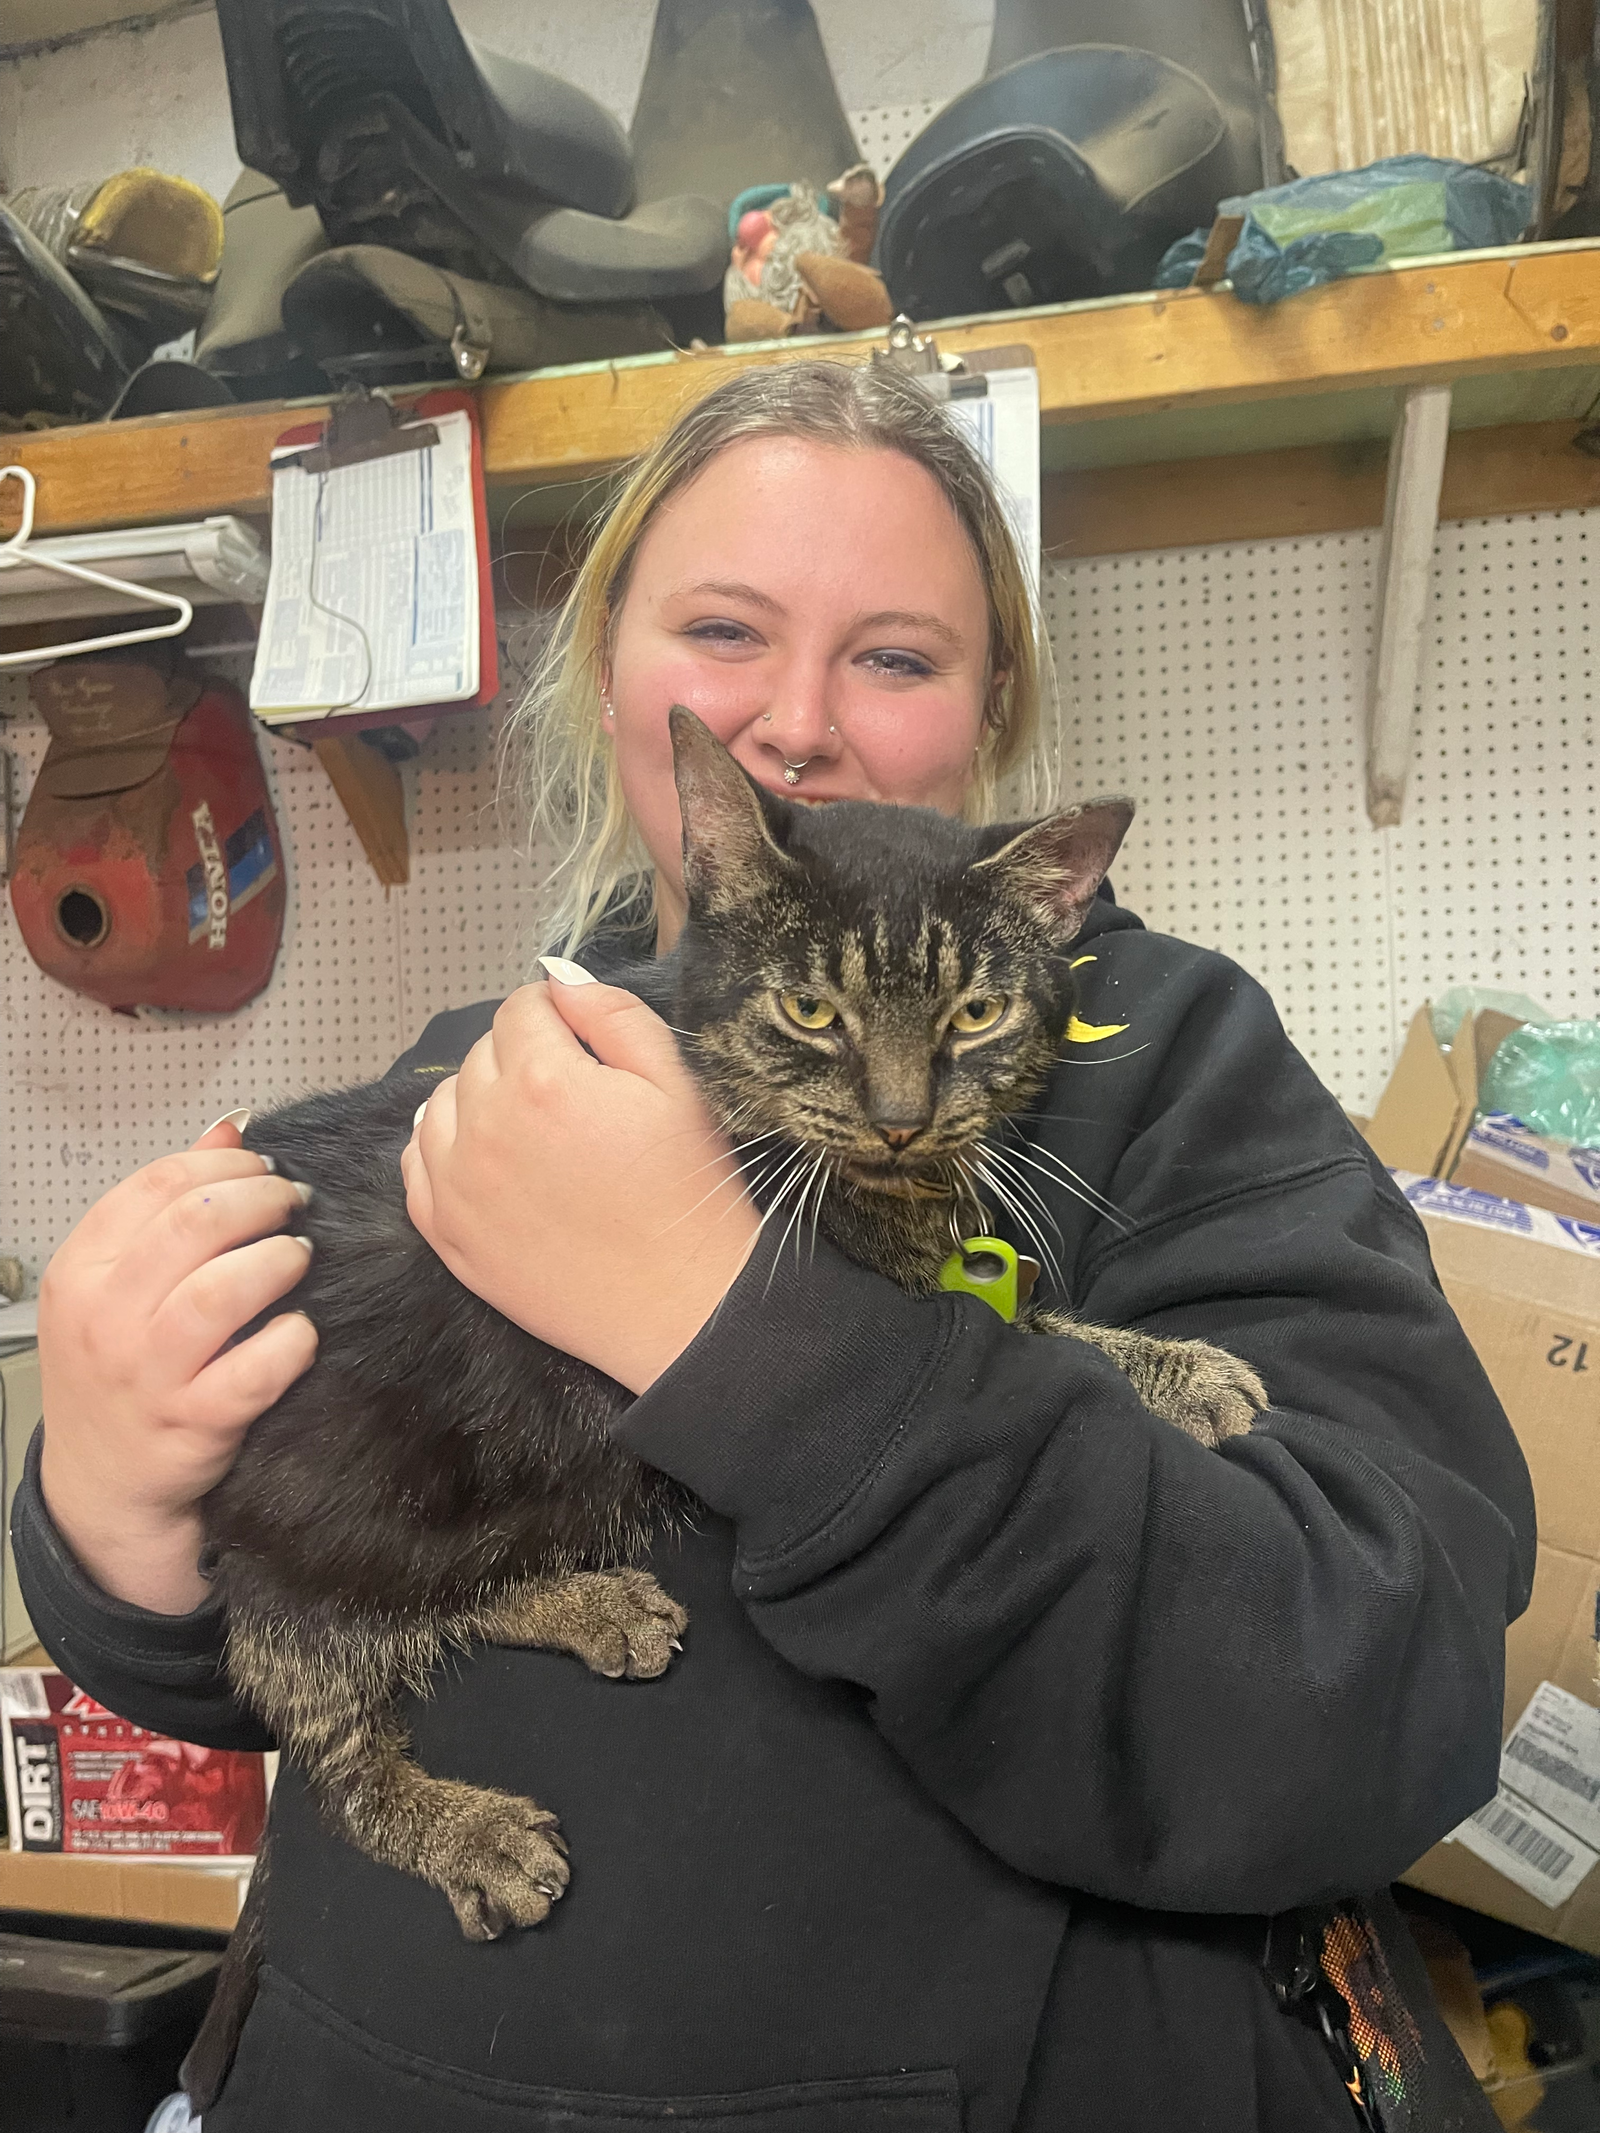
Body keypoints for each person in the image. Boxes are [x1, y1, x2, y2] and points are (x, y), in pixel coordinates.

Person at [14, 360, 1532, 2133]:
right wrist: (100, 1522)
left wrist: (739, 1326)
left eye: (895, 656)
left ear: (991, 707)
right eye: (724, 630)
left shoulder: (1165, 1066)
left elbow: (1383, 1687)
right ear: (609, 674)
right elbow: (285, 1626)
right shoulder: (480, 1074)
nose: (794, 722)